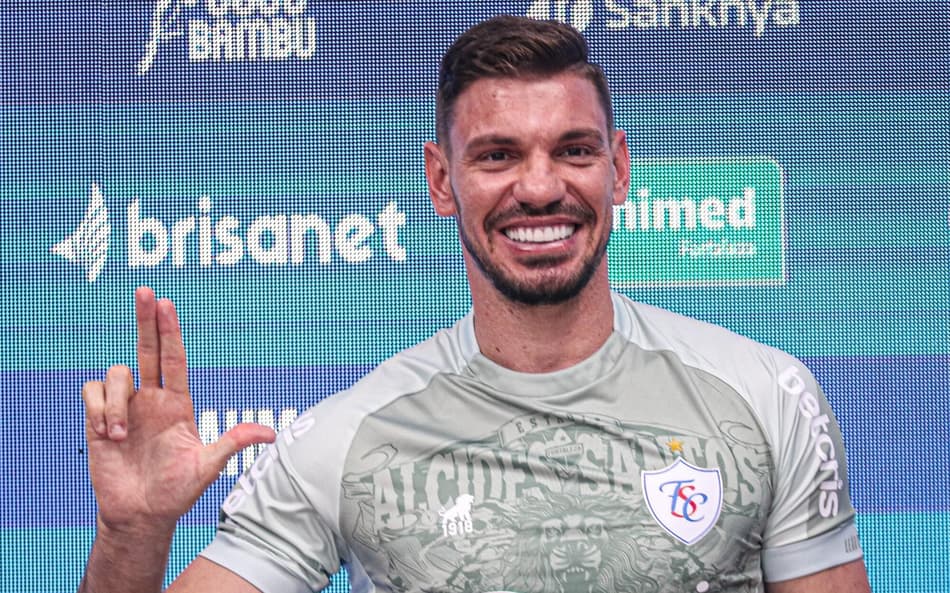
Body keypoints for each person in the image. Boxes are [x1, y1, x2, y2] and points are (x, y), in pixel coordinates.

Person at [79, 15, 871, 593]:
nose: (540, 187)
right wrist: (132, 532)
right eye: (497, 156)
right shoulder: (349, 440)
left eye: (574, 150)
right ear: (441, 180)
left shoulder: (765, 396)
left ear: (619, 169)